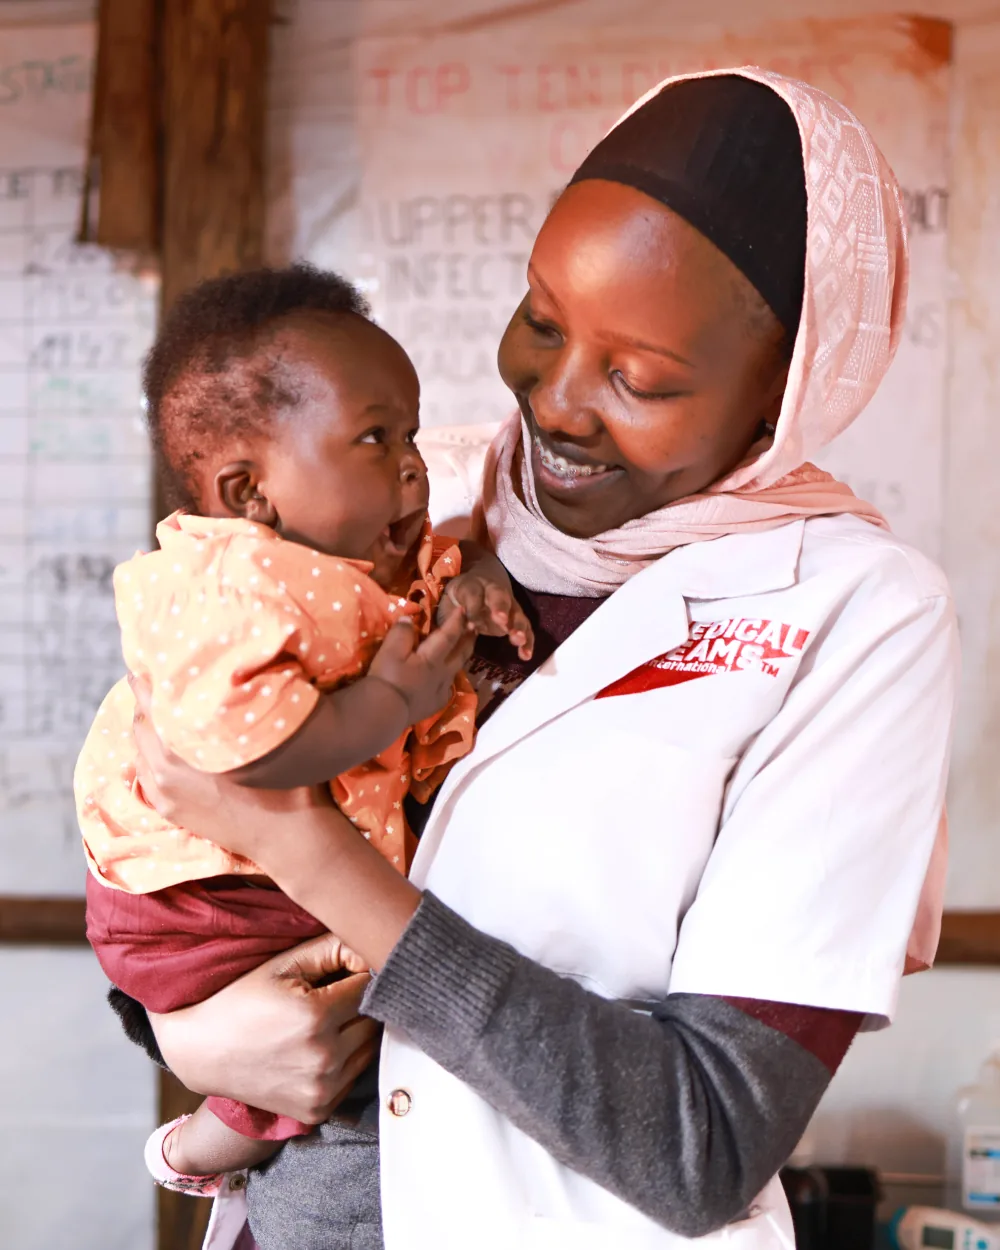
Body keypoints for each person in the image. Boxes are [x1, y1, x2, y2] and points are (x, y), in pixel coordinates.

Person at [116, 69, 958, 1250]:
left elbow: (700, 1139)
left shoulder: (857, 615)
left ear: (786, 387)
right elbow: (180, 812)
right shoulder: (409, 487)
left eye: (640, 377)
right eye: (543, 318)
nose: (556, 403)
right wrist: (185, 1035)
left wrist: (304, 849)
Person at [77, 265, 532, 1187]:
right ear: (252, 493)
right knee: (376, 996)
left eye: (409, 431)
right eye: (374, 438)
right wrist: (394, 706)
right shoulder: (225, 584)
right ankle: (220, 1137)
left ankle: (234, 1121)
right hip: (199, 898)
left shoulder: (355, 553)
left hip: (258, 878)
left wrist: (479, 573)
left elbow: (448, 557)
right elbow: (248, 756)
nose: (411, 461)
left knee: (387, 983)